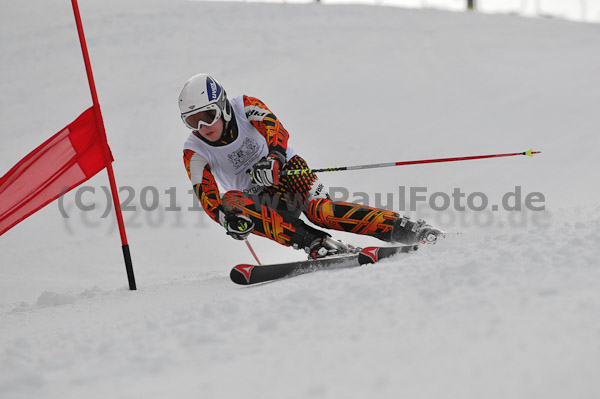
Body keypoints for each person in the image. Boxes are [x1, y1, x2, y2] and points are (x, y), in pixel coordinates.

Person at [180, 73, 443, 259]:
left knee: (322, 212)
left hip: (288, 172)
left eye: (208, 116)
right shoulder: (195, 151)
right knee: (232, 203)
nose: (203, 128)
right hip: (260, 200)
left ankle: (408, 229)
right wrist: (228, 219)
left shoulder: (244, 106)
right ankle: (318, 244)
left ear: (223, 107)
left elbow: (275, 128)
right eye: (193, 122)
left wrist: (274, 157)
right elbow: (209, 199)